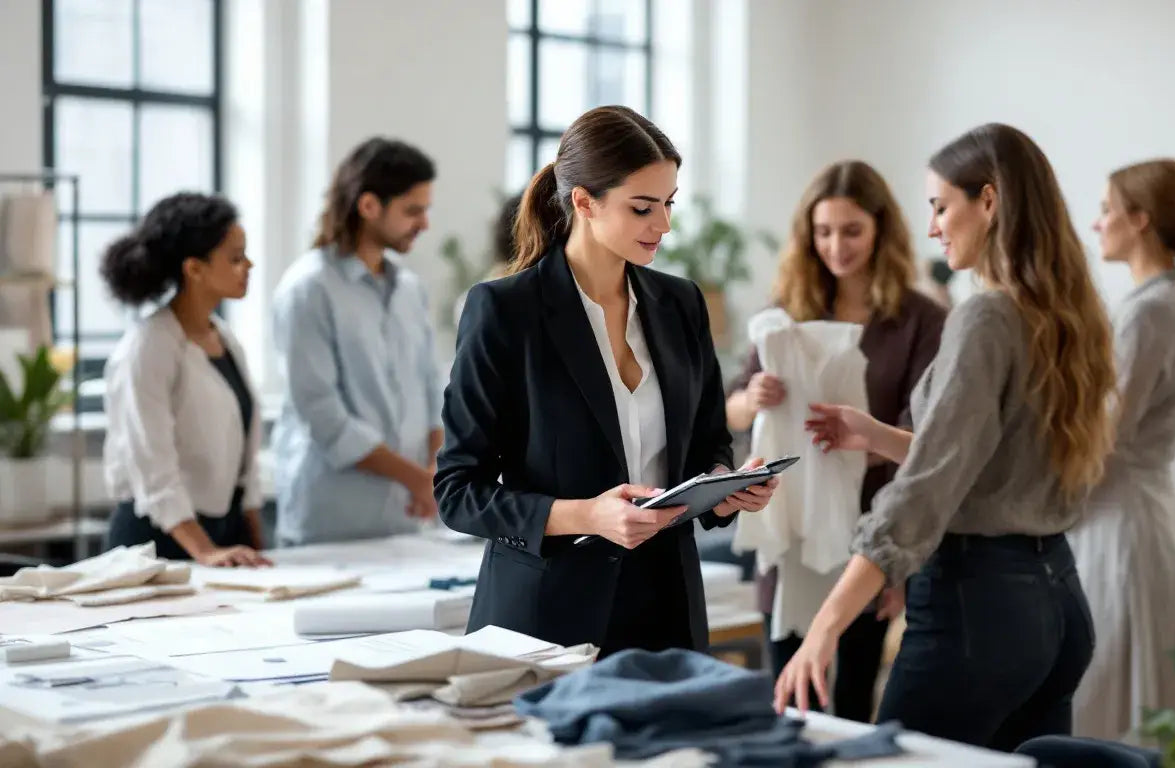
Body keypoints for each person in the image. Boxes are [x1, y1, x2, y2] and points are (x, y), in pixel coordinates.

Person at [775, 123, 1116, 750]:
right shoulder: (1064, 315)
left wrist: (824, 624)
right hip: (1057, 603)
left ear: (988, 202)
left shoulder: (985, 317)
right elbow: (987, 461)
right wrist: (876, 434)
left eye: (940, 206)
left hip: (976, 608)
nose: (932, 226)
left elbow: (925, 495)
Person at [435, 105, 779, 655]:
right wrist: (587, 515)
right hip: (544, 620)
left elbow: (707, 440)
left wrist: (723, 488)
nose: (663, 225)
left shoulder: (681, 303)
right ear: (584, 201)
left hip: (666, 615)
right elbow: (457, 491)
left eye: (669, 204)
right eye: (643, 207)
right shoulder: (505, 311)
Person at [725, 159, 946, 722]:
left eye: (851, 231)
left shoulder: (920, 320)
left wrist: (900, 563)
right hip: (792, 523)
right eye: (823, 232)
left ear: (880, 230)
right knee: (787, 692)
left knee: (848, 701)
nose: (836, 246)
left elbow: (930, 442)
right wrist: (755, 398)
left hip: (873, 531)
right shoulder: (784, 315)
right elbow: (725, 411)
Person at [1069, 159, 1175, 740]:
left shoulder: (1151, 312)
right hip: (1141, 519)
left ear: (1139, 219)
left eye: (1106, 210)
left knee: (1107, 708)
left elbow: (1104, 438)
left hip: (1120, 530)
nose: (1095, 223)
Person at [270, 137, 443, 546]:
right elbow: (324, 415)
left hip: (404, 520)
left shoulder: (409, 289)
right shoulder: (308, 289)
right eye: (412, 211)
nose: (424, 224)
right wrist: (418, 480)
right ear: (369, 207)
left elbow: (431, 388)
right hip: (331, 524)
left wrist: (433, 472)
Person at [101, 193, 271, 567]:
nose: (249, 265)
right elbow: (153, 467)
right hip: (157, 542)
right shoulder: (150, 346)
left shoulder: (224, 337)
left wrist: (255, 539)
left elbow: (244, 458)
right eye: (236, 257)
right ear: (194, 269)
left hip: (221, 534)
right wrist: (205, 551)